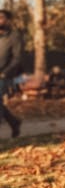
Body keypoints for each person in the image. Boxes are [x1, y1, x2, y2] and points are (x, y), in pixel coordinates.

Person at [0, 8, 24, 138]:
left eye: (1, 17)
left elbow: (17, 58)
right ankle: (14, 122)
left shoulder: (14, 36)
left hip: (4, 75)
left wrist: (6, 73)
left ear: (8, 20)